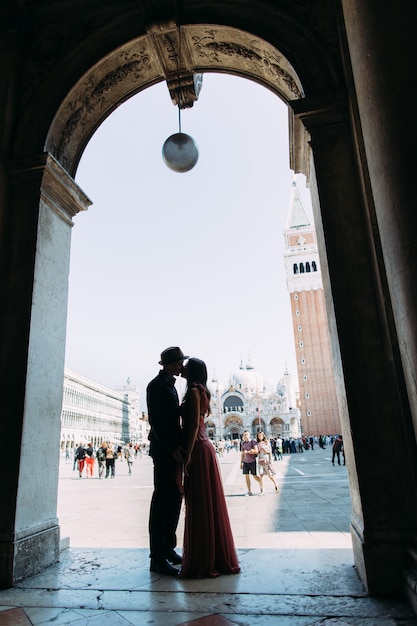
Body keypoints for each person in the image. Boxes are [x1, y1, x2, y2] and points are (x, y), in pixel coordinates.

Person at [179, 357, 240, 579]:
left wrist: (186, 455)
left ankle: (204, 560)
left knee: (200, 503)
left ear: (192, 371)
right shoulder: (202, 390)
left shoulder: (195, 391)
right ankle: (208, 556)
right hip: (203, 447)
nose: (182, 369)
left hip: (198, 448)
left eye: (186, 367)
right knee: (202, 502)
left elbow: (194, 424)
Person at [147, 346, 188, 577]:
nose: (182, 366)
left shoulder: (170, 384)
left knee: (174, 500)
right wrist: (173, 449)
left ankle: (168, 548)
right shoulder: (155, 386)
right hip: (164, 452)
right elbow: (157, 422)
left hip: (173, 452)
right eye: (180, 363)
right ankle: (157, 557)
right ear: (172, 365)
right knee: (162, 502)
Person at [240, 430, 262, 496]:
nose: (246, 436)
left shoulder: (253, 442)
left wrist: (248, 452)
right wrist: (240, 463)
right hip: (245, 462)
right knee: (246, 476)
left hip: (252, 461)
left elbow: (256, 451)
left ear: (249, 435)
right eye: (245, 434)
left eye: (247, 434)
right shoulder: (243, 443)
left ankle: (261, 484)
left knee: (254, 476)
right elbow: (242, 454)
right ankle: (249, 491)